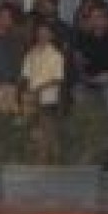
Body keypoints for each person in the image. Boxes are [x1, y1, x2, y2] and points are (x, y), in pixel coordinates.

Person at [21, 22, 66, 163]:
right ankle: (45, 159)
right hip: (32, 98)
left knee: (46, 130)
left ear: (51, 35)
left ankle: (47, 159)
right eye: (40, 32)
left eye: (46, 32)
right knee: (38, 131)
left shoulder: (56, 55)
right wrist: (26, 91)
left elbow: (58, 79)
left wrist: (39, 88)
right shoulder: (31, 53)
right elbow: (26, 75)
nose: (42, 35)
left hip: (48, 98)